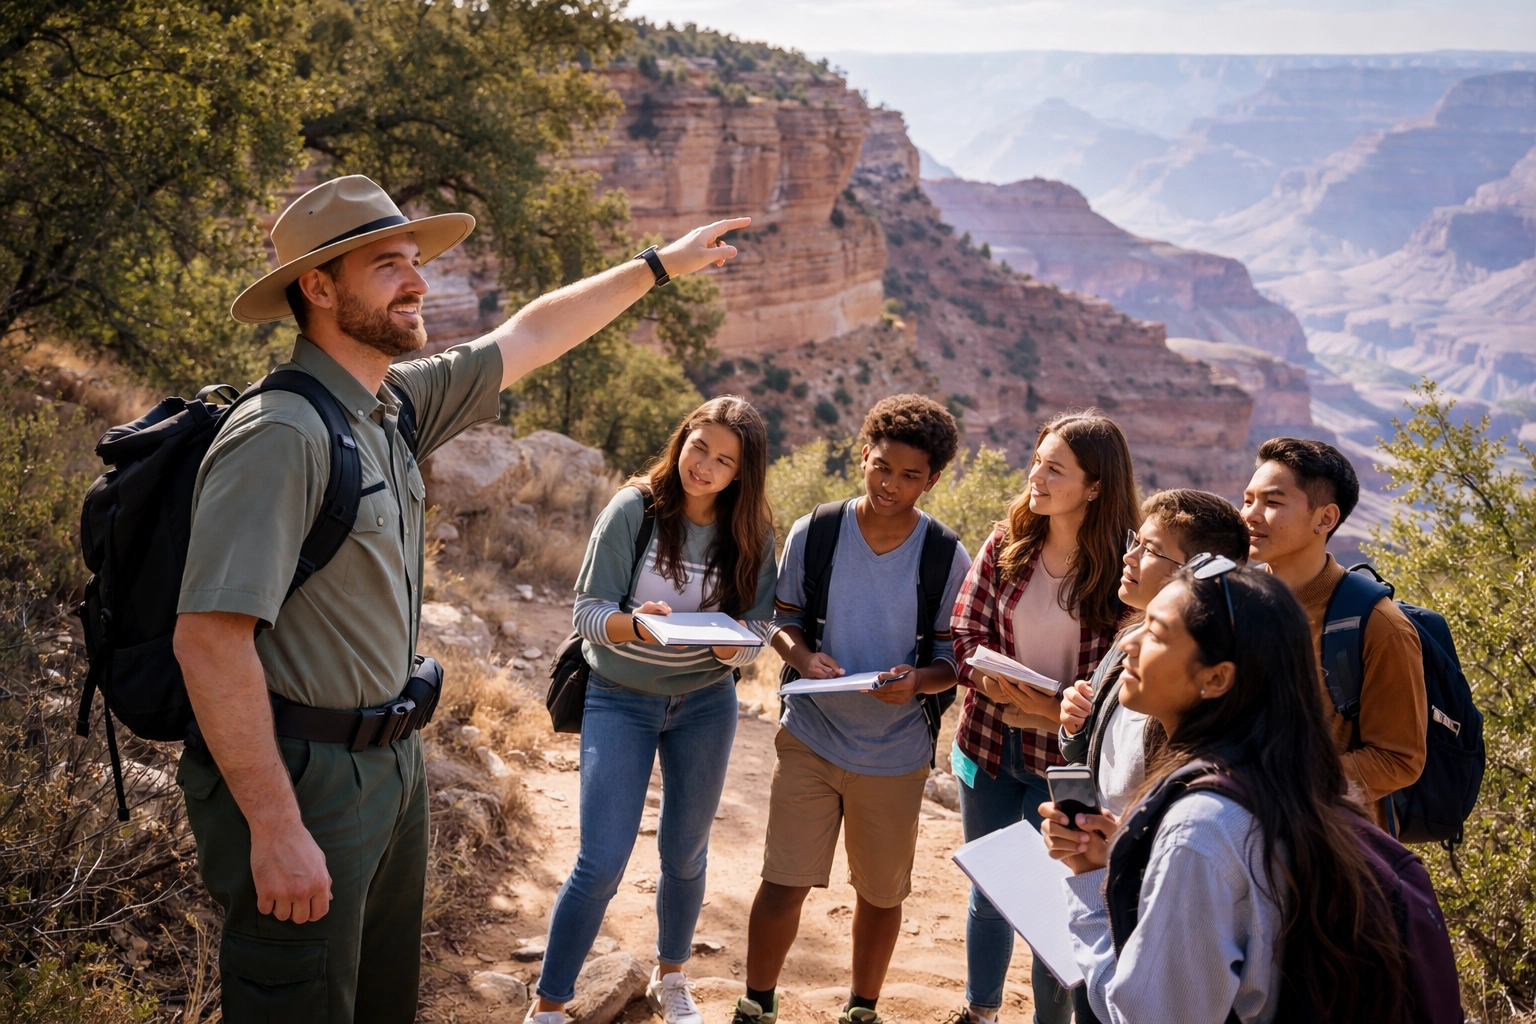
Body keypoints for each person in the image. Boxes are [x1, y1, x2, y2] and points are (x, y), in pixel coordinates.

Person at [172, 173, 749, 1023]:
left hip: (392, 764)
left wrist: (655, 267)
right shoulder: (281, 436)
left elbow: (532, 333)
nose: (418, 281)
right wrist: (276, 826)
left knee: (378, 1000)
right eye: (387, 266)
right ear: (318, 288)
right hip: (305, 776)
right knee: (296, 999)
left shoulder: (390, 405)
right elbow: (209, 641)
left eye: (416, 260)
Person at [1044, 563, 1417, 1023]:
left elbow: (1150, 1016)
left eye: (1157, 633)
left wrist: (1087, 881)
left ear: (1217, 678)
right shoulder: (1298, 789)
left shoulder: (1200, 831)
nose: (1128, 642)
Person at [532, 397, 778, 1024]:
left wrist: (736, 647)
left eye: (725, 461)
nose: (706, 467)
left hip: (704, 703)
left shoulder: (751, 532)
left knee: (686, 853)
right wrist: (635, 627)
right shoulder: (634, 509)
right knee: (602, 859)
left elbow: (759, 627)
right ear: (682, 439)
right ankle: (550, 1006)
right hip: (620, 698)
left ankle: (672, 977)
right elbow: (587, 612)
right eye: (700, 447)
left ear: (740, 474)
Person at [734, 395, 972, 1024]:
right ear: (863, 454)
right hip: (812, 737)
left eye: (911, 475)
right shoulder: (817, 531)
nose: (891, 484)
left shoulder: (947, 557)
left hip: (895, 753)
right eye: (881, 467)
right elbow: (781, 619)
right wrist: (804, 657)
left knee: (880, 892)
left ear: (934, 478)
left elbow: (955, 660)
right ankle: (756, 1004)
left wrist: (917, 681)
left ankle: (861, 1009)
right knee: (783, 880)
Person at [950, 412, 1139, 1024]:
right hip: (987, 744)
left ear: (1095, 486)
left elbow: (1120, 682)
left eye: (1054, 469)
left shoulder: (1125, 571)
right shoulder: (1007, 542)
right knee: (993, 889)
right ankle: (980, 1012)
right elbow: (964, 629)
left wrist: (1049, 705)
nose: (1036, 476)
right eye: (1037, 461)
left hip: (1066, 763)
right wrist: (983, 675)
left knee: (1061, 904)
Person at [1240, 437, 1426, 826]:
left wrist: (1288, 782)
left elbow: (1399, 759)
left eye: (1272, 503)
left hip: (1328, 851)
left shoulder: (1379, 626)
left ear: (1325, 519)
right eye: (1248, 500)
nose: (1251, 515)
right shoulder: (1236, 600)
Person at [1058, 489, 1250, 820]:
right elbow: (1081, 749)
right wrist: (1073, 726)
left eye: (1150, 550)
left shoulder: (1199, 680)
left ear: (1192, 572)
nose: (1129, 556)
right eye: (1136, 541)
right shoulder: (1128, 639)